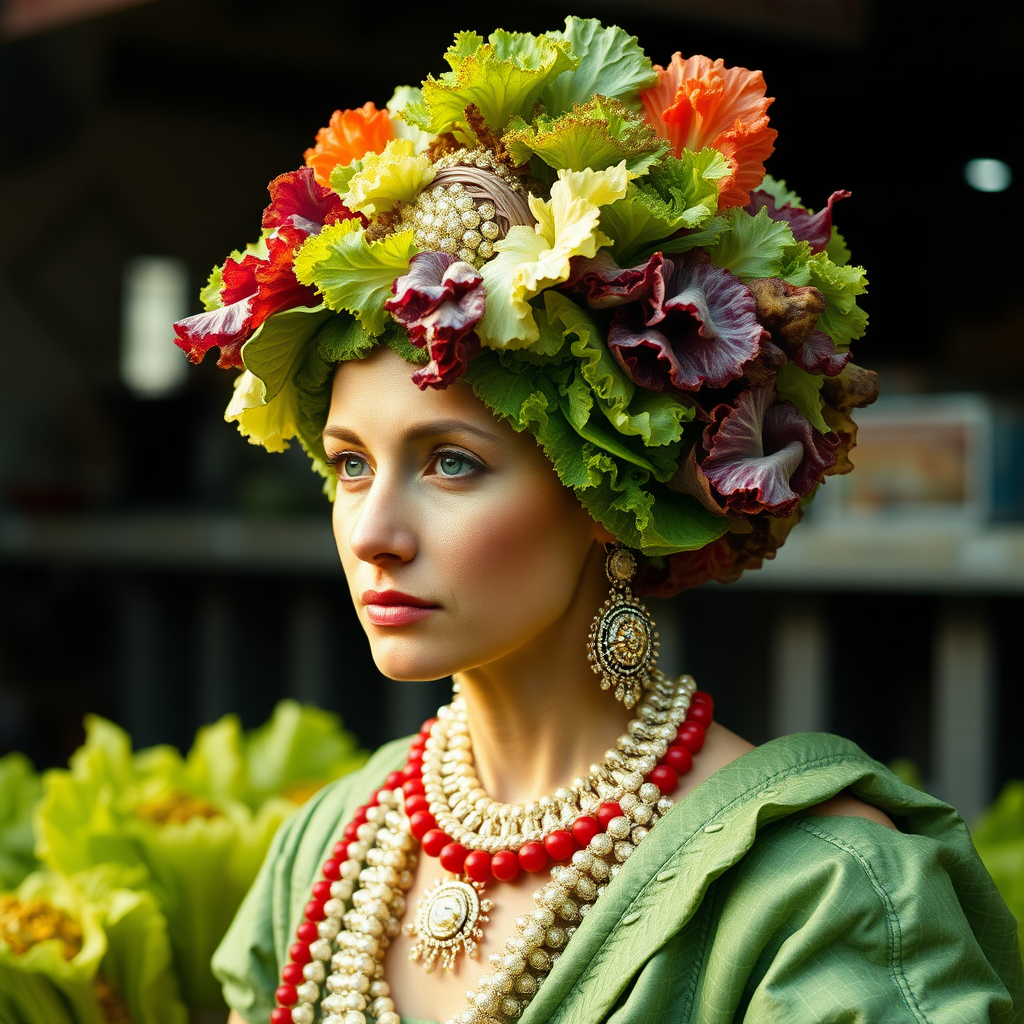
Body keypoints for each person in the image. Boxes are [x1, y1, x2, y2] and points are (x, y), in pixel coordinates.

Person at [173, 19, 1024, 1024]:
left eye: (452, 463)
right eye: (351, 463)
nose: (373, 531)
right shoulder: (323, 849)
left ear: (614, 493)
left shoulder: (818, 896)